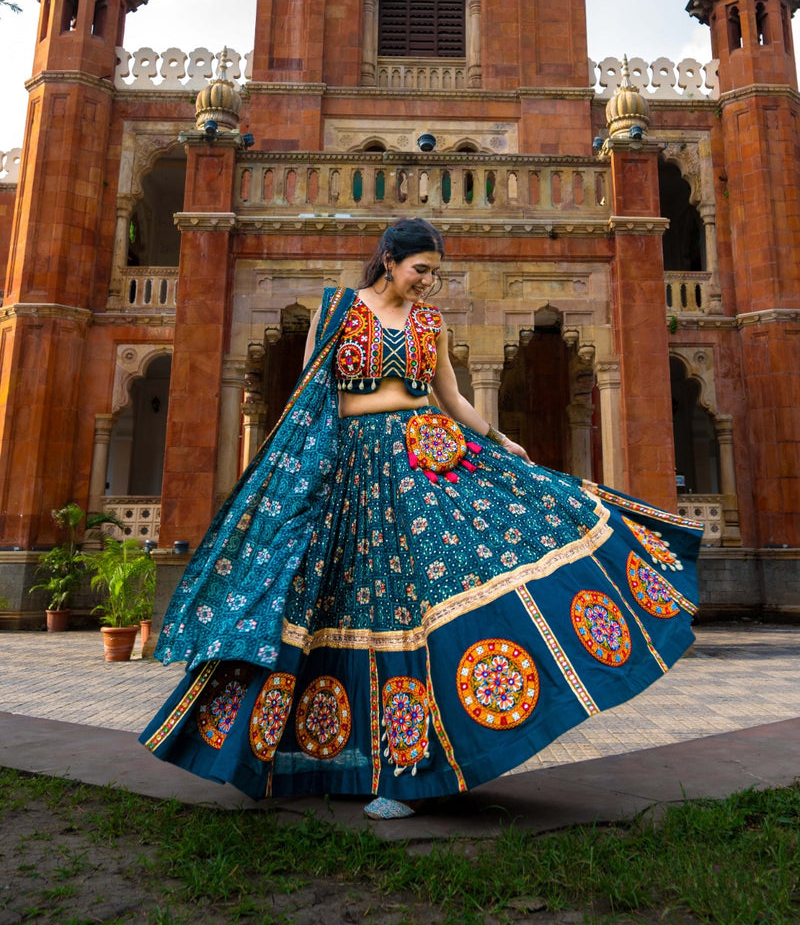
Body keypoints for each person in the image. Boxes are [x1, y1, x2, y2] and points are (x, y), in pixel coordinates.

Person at [141, 217, 701, 820]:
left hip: (423, 464)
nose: (427, 282)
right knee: (337, 602)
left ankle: (408, 775)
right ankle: (322, 759)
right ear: (389, 259)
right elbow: (310, 398)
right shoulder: (335, 311)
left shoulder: (429, 323)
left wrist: (499, 439)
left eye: (434, 272)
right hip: (352, 472)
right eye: (421, 269)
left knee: (420, 602)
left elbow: (450, 398)